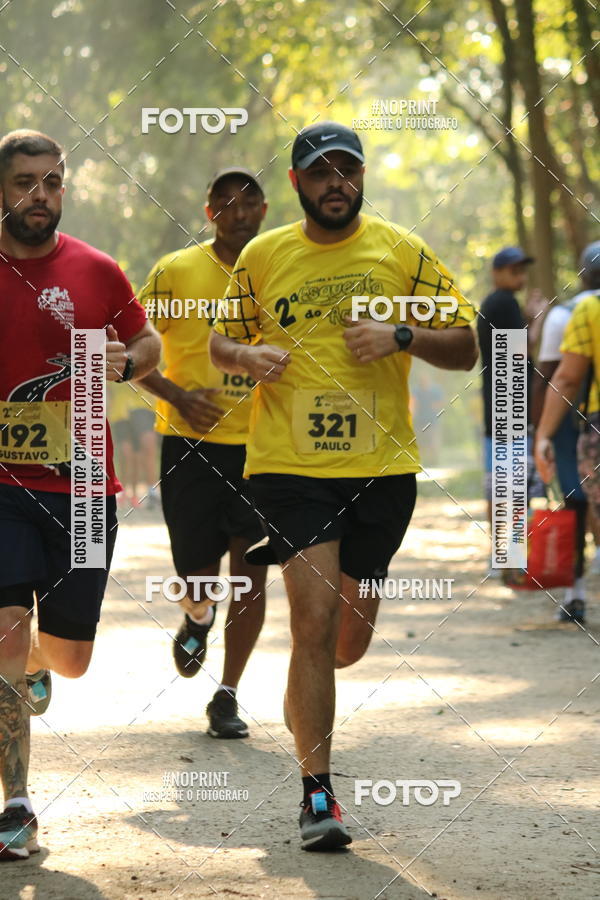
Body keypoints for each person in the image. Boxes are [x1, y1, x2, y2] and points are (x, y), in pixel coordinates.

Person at [210, 121, 477, 850]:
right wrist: (247, 357)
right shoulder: (263, 256)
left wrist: (401, 336)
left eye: (347, 171)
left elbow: (468, 346)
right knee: (314, 623)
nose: (337, 183)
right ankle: (317, 796)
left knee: (346, 643)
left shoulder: (403, 252)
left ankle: (307, 693)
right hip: (289, 467)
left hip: (381, 470)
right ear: (297, 182)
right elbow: (220, 341)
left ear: (362, 177)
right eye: (321, 172)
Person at [0, 129, 160, 860]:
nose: (41, 195)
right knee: (5, 630)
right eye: (25, 182)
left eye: (53, 182)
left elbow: (149, 343)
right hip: (3, 485)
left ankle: (39, 660)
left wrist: (128, 363)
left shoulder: (97, 270)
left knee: (69, 658)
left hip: (86, 489)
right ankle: (17, 803)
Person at [137, 168, 268, 739]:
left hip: (265, 449)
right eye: (226, 203)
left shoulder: (281, 266)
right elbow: (128, 348)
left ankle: (228, 694)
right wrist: (177, 396)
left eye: (250, 202)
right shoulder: (175, 271)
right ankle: (197, 615)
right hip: (189, 446)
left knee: (252, 575)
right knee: (197, 577)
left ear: (265, 210)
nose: (239, 213)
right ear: (209, 211)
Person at [532, 241, 600, 623]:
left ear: (583, 276)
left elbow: (554, 377)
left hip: (577, 426)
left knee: (575, 502)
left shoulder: (565, 315)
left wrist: (540, 432)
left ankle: (576, 596)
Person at [476, 247, 546, 577]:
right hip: (510, 407)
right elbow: (520, 351)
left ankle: (502, 554)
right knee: (513, 485)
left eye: (522, 270)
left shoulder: (497, 304)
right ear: (497, 272)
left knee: (500, 483)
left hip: (499, 405)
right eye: (513, 270)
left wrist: (528, 317)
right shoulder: (504, 303)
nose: (520, 276)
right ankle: (512, 556)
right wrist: (539, 319)